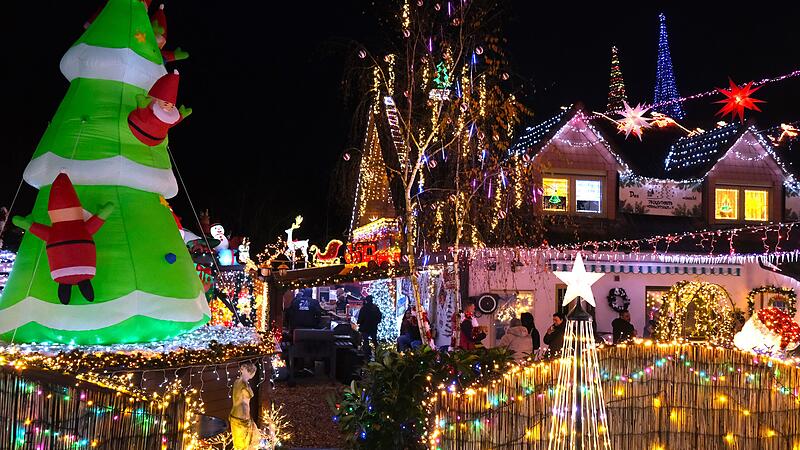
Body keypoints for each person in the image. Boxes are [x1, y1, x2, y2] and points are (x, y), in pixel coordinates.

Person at [229, 362, 261, 450]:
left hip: (235, 414)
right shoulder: (245, 385)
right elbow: (250, 395)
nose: (253, 374)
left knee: (241, 443)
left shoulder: (236, 382)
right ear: (247, 371)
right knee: (245, 444)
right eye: (252, 372)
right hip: (242, 417)